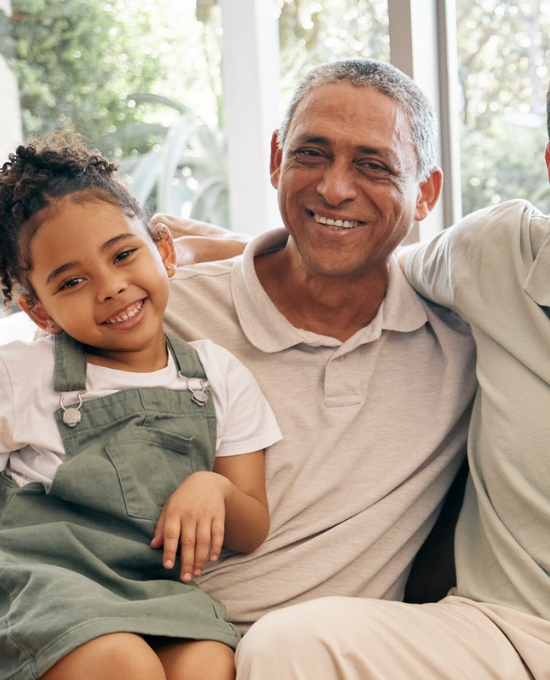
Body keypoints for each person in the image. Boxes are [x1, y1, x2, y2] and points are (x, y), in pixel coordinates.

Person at [233, 27, 550, 680]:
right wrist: (191, 253)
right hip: (490, 630)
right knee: (283, 646)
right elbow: (369, 255)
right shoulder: (495, 253)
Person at [158, 58, 477, 629]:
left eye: (374, 166)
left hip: (321, 657)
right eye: (312, 154)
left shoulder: (460, 336)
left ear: (425, 193)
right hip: (139, 641)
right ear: (277, 159)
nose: (334, 189)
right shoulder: (163, 312)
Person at [0, 138, 282, 680]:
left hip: (148, 588)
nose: (111, 287)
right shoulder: (18, 374)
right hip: (32, 580)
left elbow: (252, 527)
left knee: (210, 664)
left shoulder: (217, 375)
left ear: (164, 250)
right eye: (72, 281)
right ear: (40, 311)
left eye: (124, 253)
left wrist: (215, 489)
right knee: (121, 663)